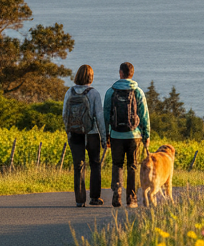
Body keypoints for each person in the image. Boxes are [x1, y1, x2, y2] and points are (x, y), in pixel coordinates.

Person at [103, 62, 150, 208]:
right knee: (133, 166)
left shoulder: (111, 92)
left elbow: (105, 115)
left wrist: (106, 135)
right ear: (132, 74)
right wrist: (146, 134)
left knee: (117, 165)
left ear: (120, 73)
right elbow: (144, 116)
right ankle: (131, 198)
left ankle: (117, 195)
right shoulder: (138, 92)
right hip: (134, 135)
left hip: (116, 134)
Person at [62, 64, 107, 207]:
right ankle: (94, 197)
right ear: (91, 77)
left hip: (75, 134)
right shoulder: (94, 94)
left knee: (78, 166)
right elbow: (99, 117)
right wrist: (104, 138)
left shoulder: (70, 92)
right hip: (92, 134)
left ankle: (80, 200)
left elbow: (64, 114)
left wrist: (68, 131)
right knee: (95, 164)